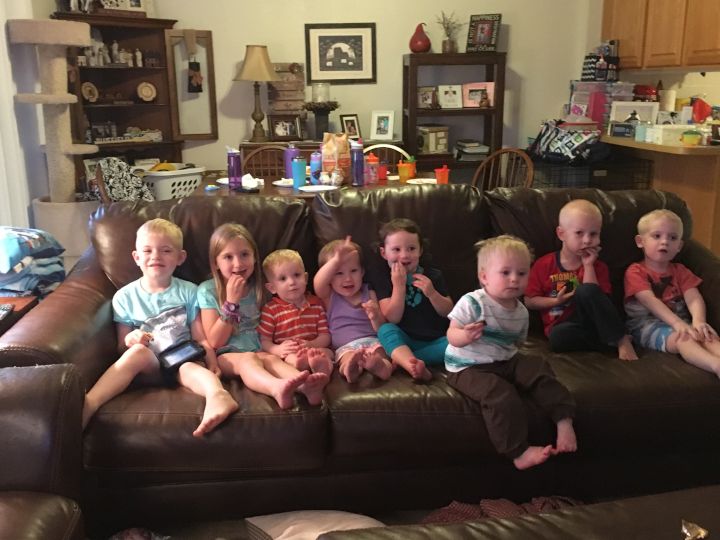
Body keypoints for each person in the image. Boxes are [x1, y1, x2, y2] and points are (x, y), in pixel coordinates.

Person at [82, 219, 238, 437]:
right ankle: (89, 403)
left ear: (180, 257)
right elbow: (121, 347)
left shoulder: (190, 291)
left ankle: (218, 396)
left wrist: (212, 362)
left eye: (166, 250)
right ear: (136, 257)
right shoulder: (124, 297)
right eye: (147, 250)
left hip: (182, 360)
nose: (156, 256)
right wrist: (131, 340)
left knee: (191, 368)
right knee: (137, 352)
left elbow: (200, 337)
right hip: (150, 366)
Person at [446, 235, 577, 470]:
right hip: (467, 366)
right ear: (484, 277)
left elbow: (517, 344)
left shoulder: (521, 312)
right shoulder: (473, 302)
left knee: (537, 367)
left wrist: (519, 367)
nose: (514, 279)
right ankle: (518, 452)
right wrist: (465, 336)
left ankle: (563, 420)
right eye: (505, 273)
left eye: (522, 273)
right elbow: (451, 334)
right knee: (500, 393)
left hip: (504, 360)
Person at [198, 224, 327, 409]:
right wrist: (231, 303)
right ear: (215, 263)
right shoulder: (207, 290)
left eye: (244, 254)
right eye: (228, 257)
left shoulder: (260, 288)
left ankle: (307, 386)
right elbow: (215, 341)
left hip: (261, 349)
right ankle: (276, 388)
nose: (238, 263)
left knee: (272, 360)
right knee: (248, 359)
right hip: (227, 355)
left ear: (254, 258)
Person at [525, 199, 637, 361]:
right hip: (566, 327)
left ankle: (621, 339)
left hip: (594, 321)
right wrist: (555, 301)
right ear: (561, 234)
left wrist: (588, 266)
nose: (587, 240)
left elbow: (599, 299)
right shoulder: (544, 264)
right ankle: (609, 341)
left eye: (593, 234)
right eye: (579, 233)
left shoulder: (598, 267)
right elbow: (529, 301)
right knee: (557, 338)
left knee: (587, 289)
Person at [625, 209, 720, 376]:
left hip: (682, 321)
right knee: (683, 339)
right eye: (657, 236)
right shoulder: (635, 271)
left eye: (672, 238)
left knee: (707, 336)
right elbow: (649, 301)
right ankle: (715, 365)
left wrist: (699, 321)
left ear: (679, 246)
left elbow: (694, 297)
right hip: (646, 326)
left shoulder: (680, 271)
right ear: (641, 241)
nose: (665, 242)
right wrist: (677, 324)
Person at [374, 218, 454, 380]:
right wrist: (399, 286)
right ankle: (412, 364)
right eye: (396, 249)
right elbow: (393, 318)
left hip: (436, 340)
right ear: (384, 253)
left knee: (459, 343)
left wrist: (432, 293)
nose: (404, 255)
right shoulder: (383, 279)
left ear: (420, 251)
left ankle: (406, 361)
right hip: (405, 339)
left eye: (411, 248)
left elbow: (449, 311)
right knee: (385, 329)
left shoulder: (433, 275)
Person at [314, 237, 393, 383]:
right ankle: (350, 370)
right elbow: (318, 283)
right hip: (346, 347)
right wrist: (335, 261)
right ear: (329, 277)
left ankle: (382, 368)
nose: (348, 279)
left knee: (380, 353)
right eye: (339, 273)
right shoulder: (329, 296)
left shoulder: (369, 293)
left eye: (353, 271)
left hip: (373, 341)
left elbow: (381, 328)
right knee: (347, 358)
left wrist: (375, 316)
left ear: (362, 272)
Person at [258, 249, 333, 402]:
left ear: (305, 278)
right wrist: (277, 349)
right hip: (290, 354)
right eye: (283, 278)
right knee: (291, 359)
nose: (292, 282)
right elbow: (264, 341)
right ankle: (303, 369)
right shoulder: (270, 310)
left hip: (314, 348)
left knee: (328, 353)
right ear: (272, 288)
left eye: (297, 275)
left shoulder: (316, 304)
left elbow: (325, 336)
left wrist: (311, 345)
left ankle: (322, 373)